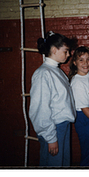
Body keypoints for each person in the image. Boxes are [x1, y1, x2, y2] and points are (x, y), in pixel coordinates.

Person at [29, 31, 77, 166]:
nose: (69, 55)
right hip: (54, 128)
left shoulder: (56, 71)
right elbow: (40, 109)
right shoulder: (43, 73)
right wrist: (50, 138)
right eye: (66, 51)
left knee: (63, 164)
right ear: (55, 50)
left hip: (62, 126)